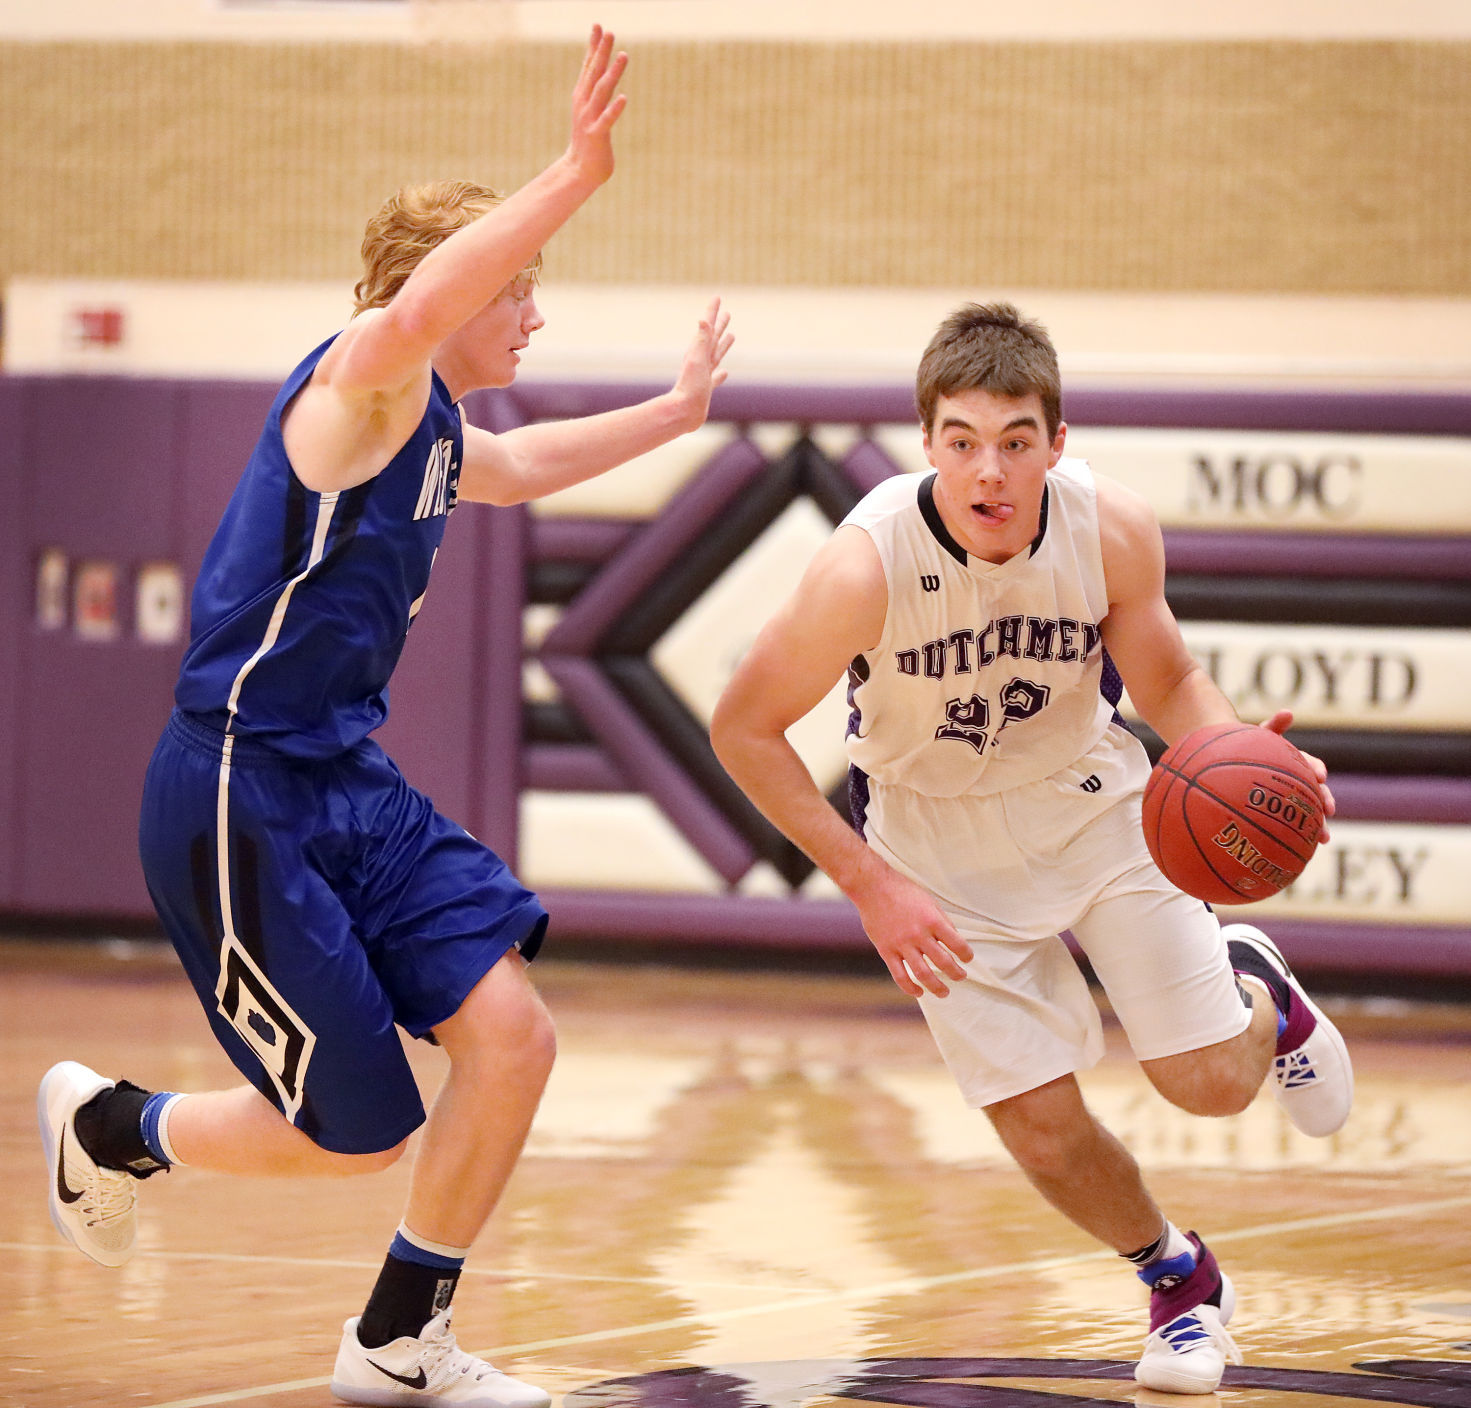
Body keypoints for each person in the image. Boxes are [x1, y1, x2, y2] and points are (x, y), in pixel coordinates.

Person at [39, 27, 732, 1408]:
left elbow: (524, 465)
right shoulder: (360, 384)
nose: (530, 315)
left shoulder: (431, 433)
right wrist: (573, 172)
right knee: (354, 1132)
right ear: (447, 290)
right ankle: (116, 1126)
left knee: (514, 1039)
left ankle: (395, 1342)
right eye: (517, 288)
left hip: (346, 782)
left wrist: (679, 409)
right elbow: (414, 317)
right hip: (237, 794)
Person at [710, 302, 1352, 1395]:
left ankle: (1260, 992)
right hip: (930, 847)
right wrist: (869, 889)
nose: (987, 471)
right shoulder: (863, 566)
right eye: (960, 441)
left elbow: (1165, 682)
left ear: (1058, 443)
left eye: (1015, 440)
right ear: (927, 445)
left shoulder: (1110, 530)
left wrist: (1246, 758)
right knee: (1044, 1133)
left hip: (1088, 803)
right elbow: (741, 728)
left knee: (1205, 1085)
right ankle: (1179, 1281)